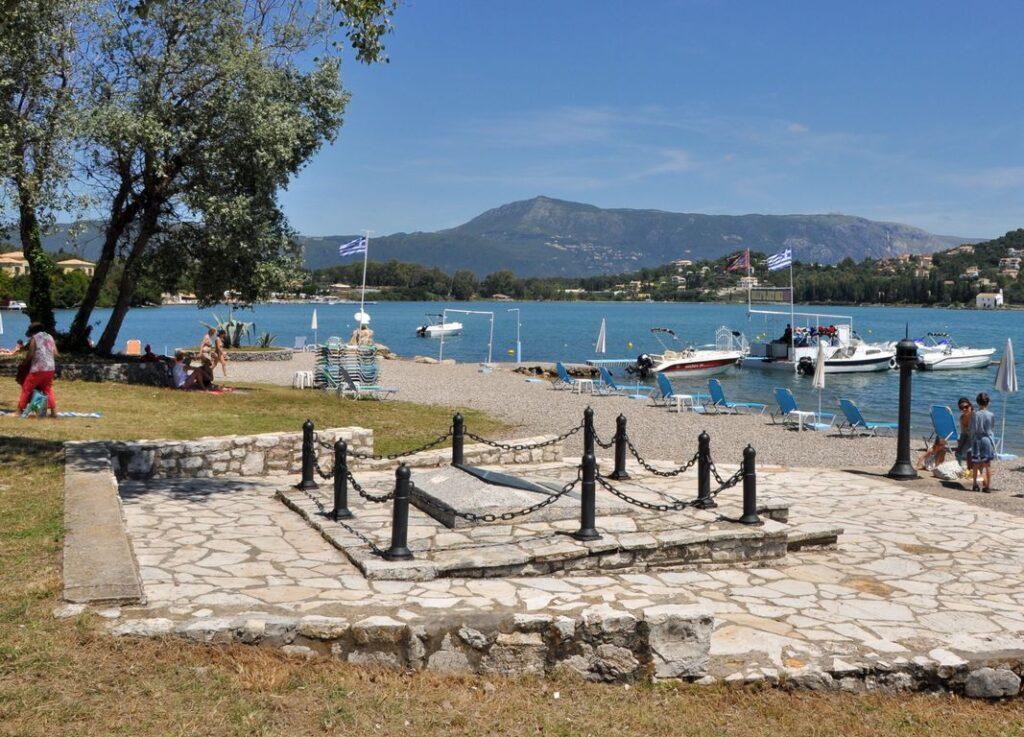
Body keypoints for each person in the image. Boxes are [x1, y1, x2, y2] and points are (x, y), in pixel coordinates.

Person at [17, 322, 58, 417]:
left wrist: (24, 364)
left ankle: (18, 412)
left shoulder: (35, 338)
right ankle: (54, 412)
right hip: (50, 367)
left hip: (38, 368)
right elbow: (55, 353)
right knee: (47, 389)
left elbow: (30, 354)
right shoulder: (50, 337)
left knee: (27, 388)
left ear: (32, 332)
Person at [968, 392, 997, 493]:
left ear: (977, 402)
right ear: (988, 402)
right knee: (987, 464)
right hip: (987, 439)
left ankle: (975, 485)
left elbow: (971, 429)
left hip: (977, 439)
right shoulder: (991, 415)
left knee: (975, 463)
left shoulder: (974, 414)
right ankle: (987, 487)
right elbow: (991, 428)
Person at [955, 397, 973, 469]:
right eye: (961, 408)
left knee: (969, 452)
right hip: (968, 438)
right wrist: (960, 444)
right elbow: (963, 433)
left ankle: (971, 470)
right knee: (958, 452)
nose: (964, 409)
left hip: (977, 439)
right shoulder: (962, 418)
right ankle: (959, 468)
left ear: (970, 405)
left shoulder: (975, 416)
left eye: (966, 407)